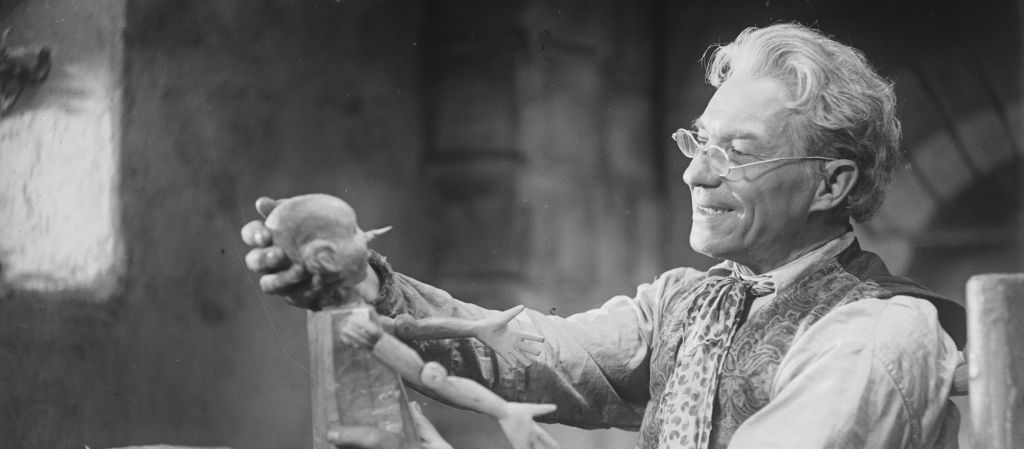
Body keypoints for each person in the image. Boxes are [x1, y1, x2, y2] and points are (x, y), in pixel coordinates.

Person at [242, 23, 966, 449]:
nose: (695, 175)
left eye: (738, 153)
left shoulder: (878, 335)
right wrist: (366, 285)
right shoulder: (687, 303)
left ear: (831, 184)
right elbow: (532, 354)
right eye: (699, 142)